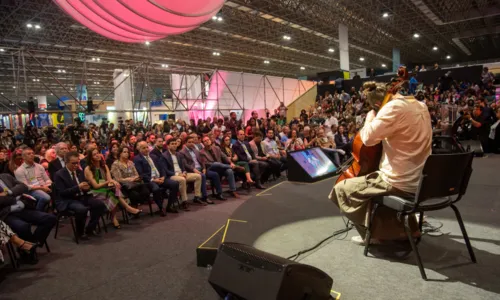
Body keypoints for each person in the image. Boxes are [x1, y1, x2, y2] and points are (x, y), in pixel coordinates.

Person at [329, 81, 432, 245]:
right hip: (423, 181)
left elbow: (368, 138)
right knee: (372, 181)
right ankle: (409, 228)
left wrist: (371, 115)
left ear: (377, 104)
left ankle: (374, 236)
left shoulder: (393, 108)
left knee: (341, 189)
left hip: (401, 183)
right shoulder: (419, 104)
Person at [0, 173, 56, 260]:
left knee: (50, 218)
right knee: (23, 226)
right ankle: (28, 251)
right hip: (6, 213)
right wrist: (16, 198)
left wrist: (9, 192)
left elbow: (23, 186)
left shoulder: (5, 176)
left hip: (22, 208)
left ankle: (31, 245)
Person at [84, 149, 141, 229]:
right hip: (95, 191)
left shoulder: (104, 166)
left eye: (98, 153)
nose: (98, 155)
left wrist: (114, 182)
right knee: (114, 194)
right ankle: (125, 209)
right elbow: (96, 186)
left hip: (106, 189)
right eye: (94, 154)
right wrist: (109, 182)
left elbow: (110, 180)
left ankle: (116, 215)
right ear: (90, 158)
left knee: (115, 189)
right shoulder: (88, 169)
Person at [134, 141, 179, 215]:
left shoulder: (153, 156)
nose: (146, 149)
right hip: (149, 181)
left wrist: (163, 177)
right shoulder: (137, 159)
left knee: (175, 184)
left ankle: (169, 206)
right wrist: (153, 180)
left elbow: (162, 168)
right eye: (143, 148)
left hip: (160, 178)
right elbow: (141, 173)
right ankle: (161, 208)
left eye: (147, 147)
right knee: (156, 189)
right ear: (139, 149)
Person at [160, 138, 202, 210]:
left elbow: (182, 166)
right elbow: (165, 170)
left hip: (181, 173)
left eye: (175, 144)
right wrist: (178, 174)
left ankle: (197, 197)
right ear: (168, 146)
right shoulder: (164, 156)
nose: (174, 145)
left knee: (198, 176)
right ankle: (184, 201)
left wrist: (184, 172)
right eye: (172, 144)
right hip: (172, 175)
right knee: (182, 180)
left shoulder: (179, 154)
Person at [179, 136, 220, 202]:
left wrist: (204, 168)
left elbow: (202, 161)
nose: (191, 143)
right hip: (192, 171)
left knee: (215, 174)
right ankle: (205, 197)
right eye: (189, 142)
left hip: (200, 169)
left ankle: (219, 193)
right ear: (185, 143)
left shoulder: (196, 150)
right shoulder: (182, 152)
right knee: (203, 176)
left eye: (192, 142)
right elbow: (185, 164)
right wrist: (193, 169)